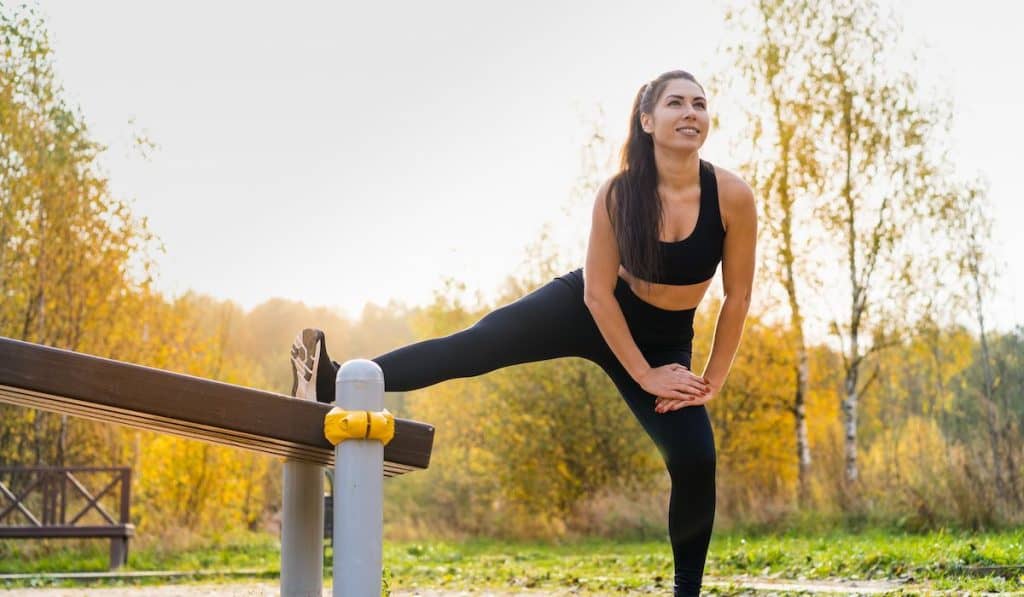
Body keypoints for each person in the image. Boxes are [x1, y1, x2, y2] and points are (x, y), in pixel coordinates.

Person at [290, 69, 757, 596]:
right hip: (586, 308)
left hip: (665, 339)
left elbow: (737, 297)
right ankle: (339, 382)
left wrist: (710, 380)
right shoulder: (619, 195)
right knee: (476, 345)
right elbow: (598, 296)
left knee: (695, 457)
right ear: (648, 120)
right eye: (676, 103)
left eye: (699, 103)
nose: (691, 113)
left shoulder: (732, 196)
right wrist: (644, 375)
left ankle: (686, 592)